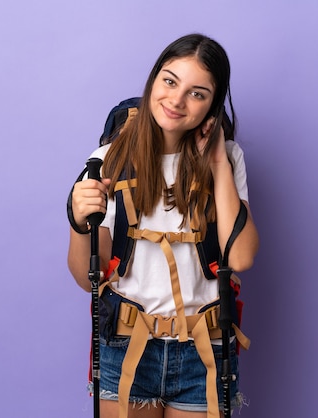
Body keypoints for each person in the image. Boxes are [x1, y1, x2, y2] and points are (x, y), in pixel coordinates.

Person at [67, 33, 259, 418]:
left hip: (203, 347)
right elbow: (87, 276)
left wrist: (218, 162)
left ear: (213, 106)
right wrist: (78, 222)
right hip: (125, 341)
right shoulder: (109, 158)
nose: (176, 100)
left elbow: (239, 257)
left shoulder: (229, 158)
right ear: (154, 79)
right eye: (170, 81)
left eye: (197, 93)